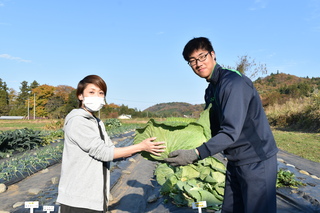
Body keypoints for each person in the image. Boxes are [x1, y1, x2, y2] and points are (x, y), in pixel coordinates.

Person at [165, 37, 278, 213]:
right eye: (192, 61)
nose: (198, 63)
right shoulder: (211, 90)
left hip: (256, 159)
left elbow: (230, 132)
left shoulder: (233, 83)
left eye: (202, 57)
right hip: (235, 160)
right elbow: (212, 129)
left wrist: (196, 153)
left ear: (213, 55)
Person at [57, 75, 165, 213]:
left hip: (94, 198)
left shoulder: (96, 122)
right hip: (79, 200)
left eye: (101, 93)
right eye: (91, 92)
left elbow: (111, 151)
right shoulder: (78, 121)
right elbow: (104, 153)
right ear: (80, 96)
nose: (97, 96)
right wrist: (141, 146)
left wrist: (142, 148)